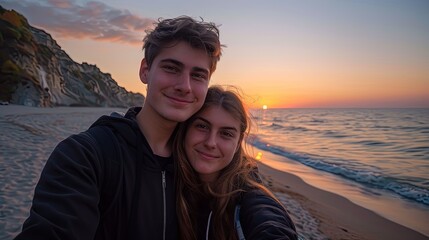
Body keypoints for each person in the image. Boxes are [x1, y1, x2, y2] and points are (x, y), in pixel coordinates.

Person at [14, 16, 223, 240]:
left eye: (198, 75)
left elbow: (250, 193)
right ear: (145, 70)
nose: (185, 86)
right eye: (172, 68)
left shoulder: (201, 156)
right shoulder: (84, 156)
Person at [174, 86, 298, 240]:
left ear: (238, 142)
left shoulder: (248, 198)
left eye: (226, 134)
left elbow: (269, 223)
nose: (211, 143)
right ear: (185, 129)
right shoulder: (165, 181)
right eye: (202, 126)